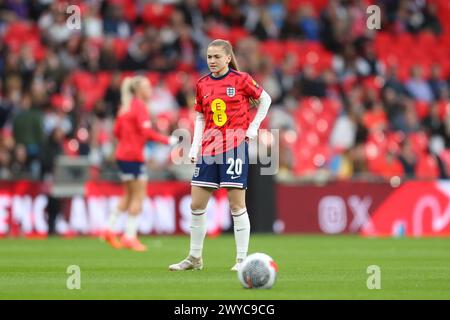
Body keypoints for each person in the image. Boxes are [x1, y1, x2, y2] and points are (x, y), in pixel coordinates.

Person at [169, 39, 272, 271]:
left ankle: (241, 259)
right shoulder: (202, 84)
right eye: (209, 57)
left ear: (228, 58)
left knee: (236, 205)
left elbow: (265, 99)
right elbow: (200, 117)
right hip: (208, 148)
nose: (212, 61)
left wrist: (254, 127)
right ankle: (195, 258)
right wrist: (195, 146)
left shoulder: (241, 79)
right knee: (196, 204)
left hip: (234, 146)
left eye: (217, 57)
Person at [102, 75, 178, 251]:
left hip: (123, 155)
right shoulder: (139, 107)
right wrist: (168, 141)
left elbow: (117, 131)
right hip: (133, 157)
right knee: (138, 196)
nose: (150, 90)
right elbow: (147, 133)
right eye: (147, 87)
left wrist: (128, 140)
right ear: (138, 90)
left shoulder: (125, 108)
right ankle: (129, 236)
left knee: (128, 195)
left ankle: (109, 229)